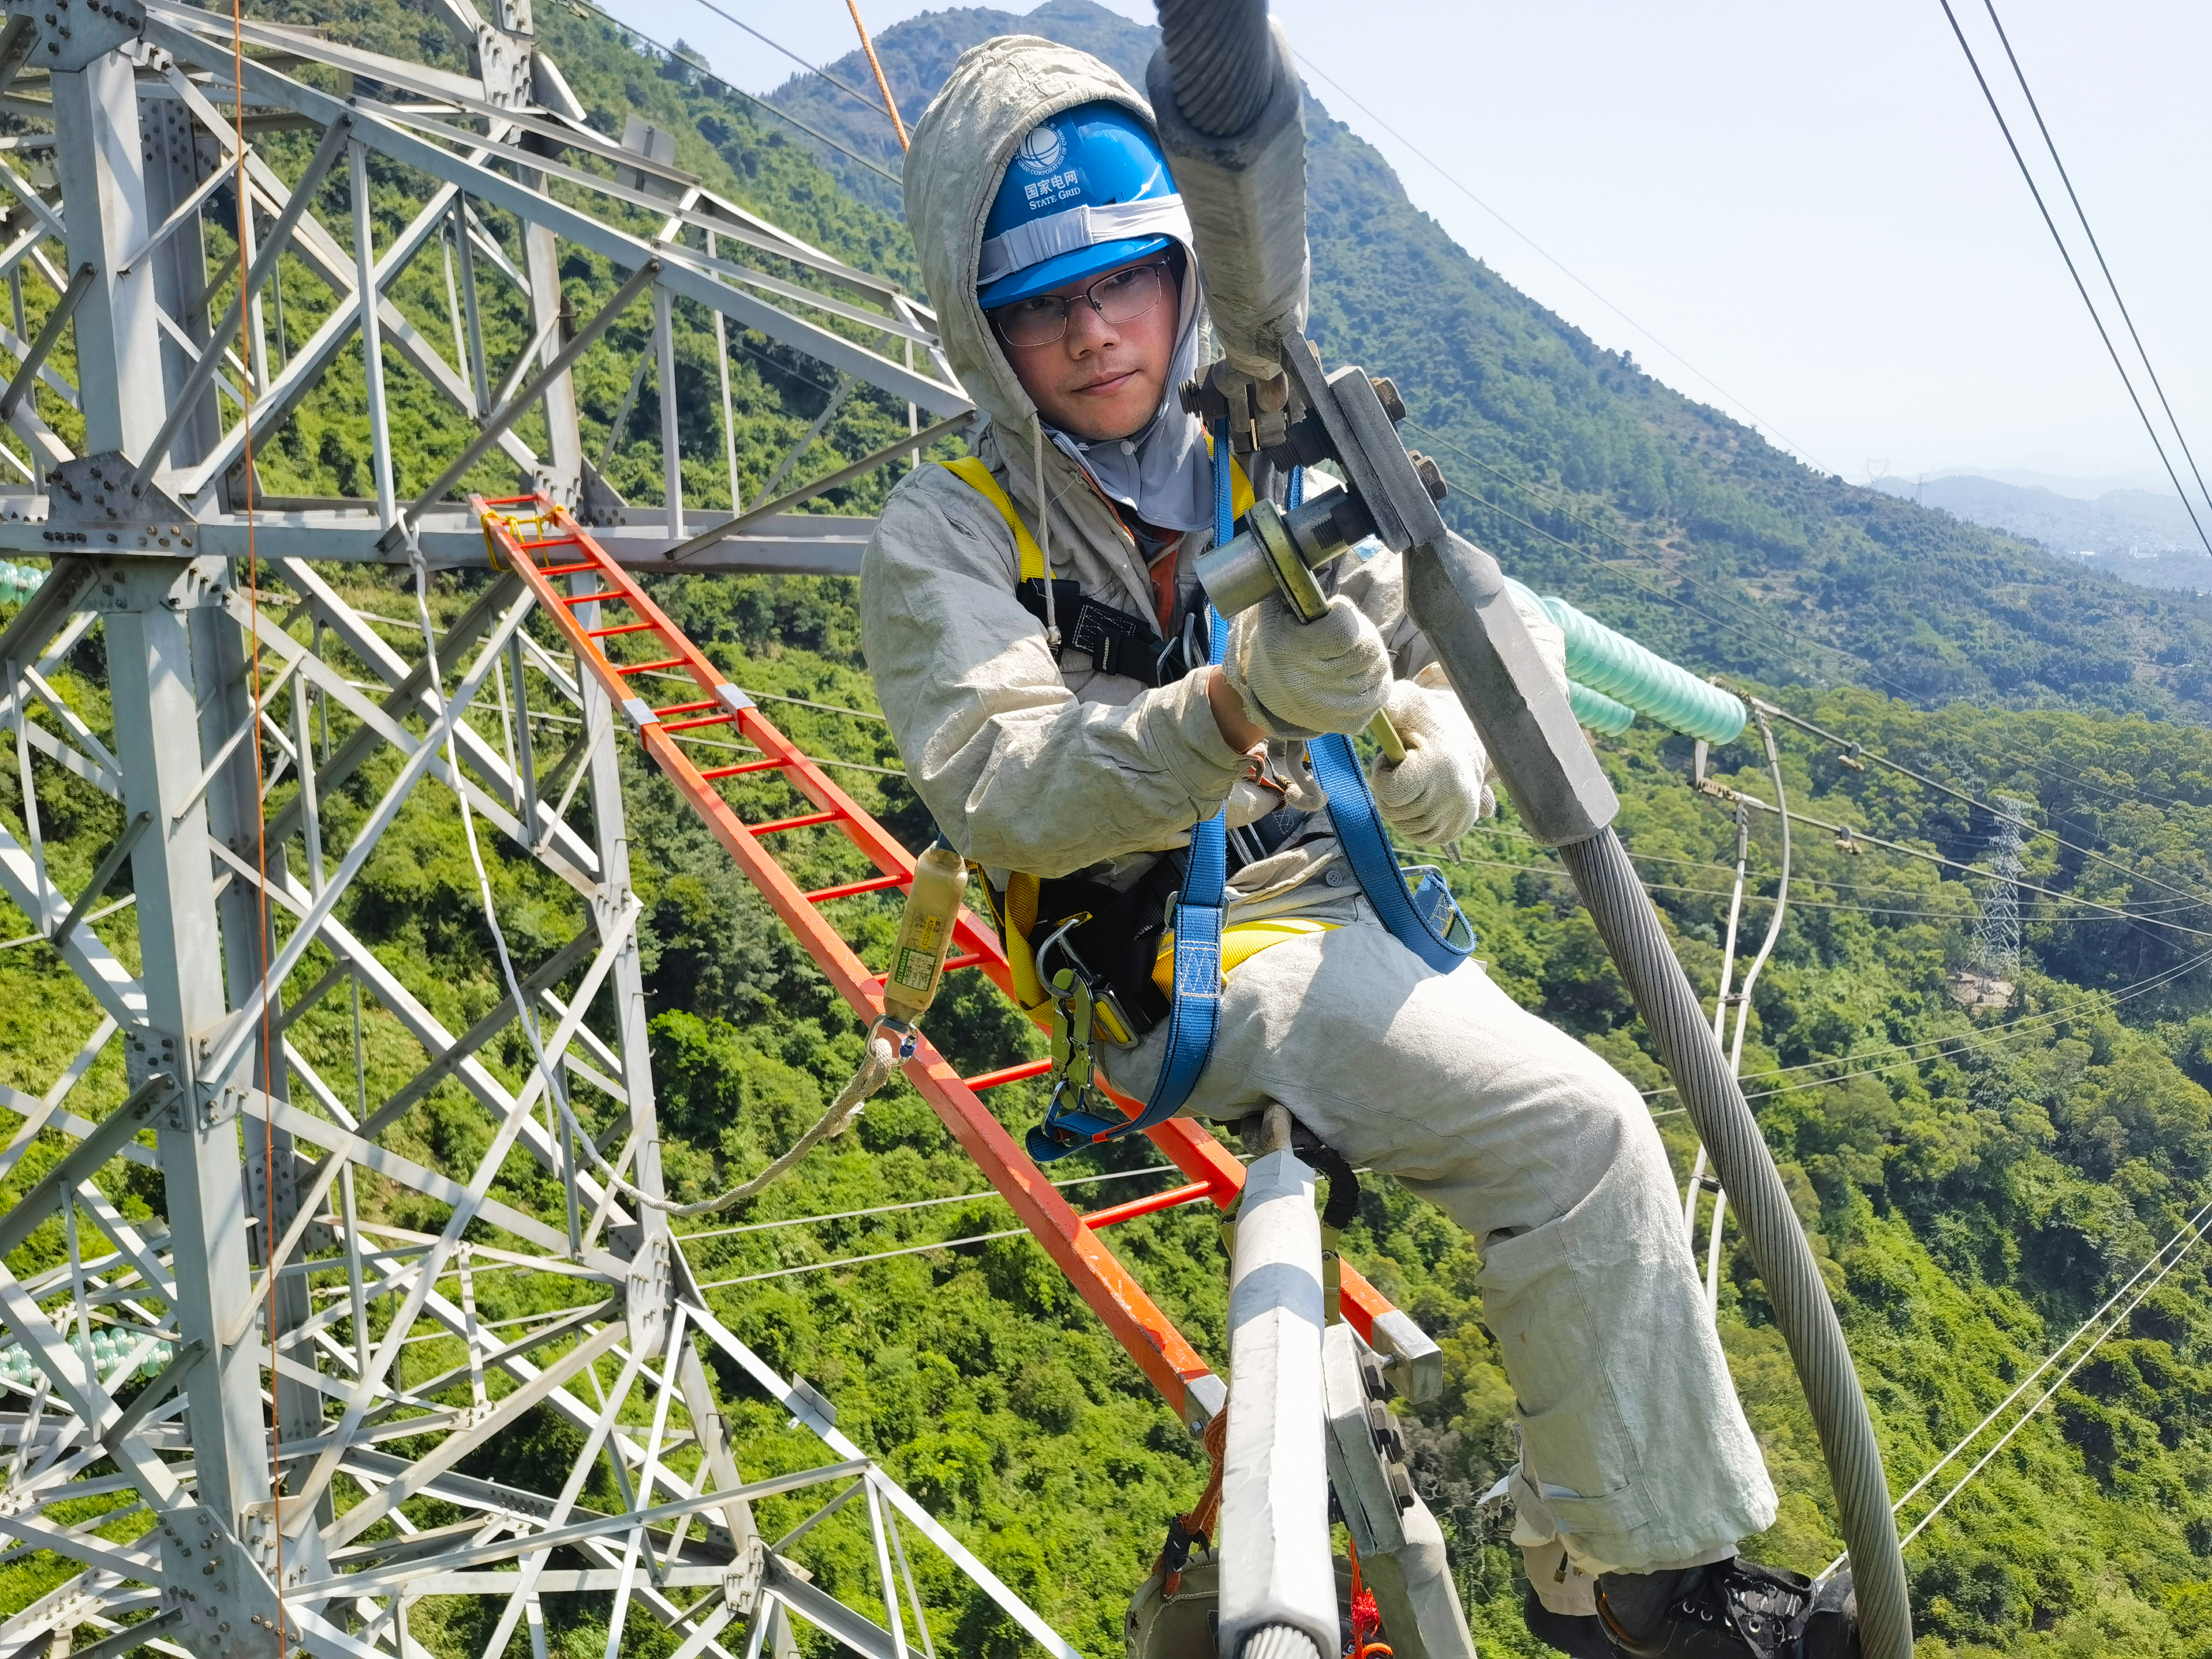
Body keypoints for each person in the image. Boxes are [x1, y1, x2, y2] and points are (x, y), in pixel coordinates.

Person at [861, 33, 1856, 1659]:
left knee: (1586, 1141)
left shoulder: (1262, 443)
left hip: (1332, 894)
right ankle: (1633, 1586)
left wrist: (1448, 731)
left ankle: (1596, 1538)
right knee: (1587, 1133)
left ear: (1183, 274)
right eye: (1044, 306)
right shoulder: (955, 527)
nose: (1097, 330)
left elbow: (1445, 617)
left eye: (1121, 280)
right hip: (1181, 959)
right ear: (988, 331)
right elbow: (1006, 785)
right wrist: (1234, 709)